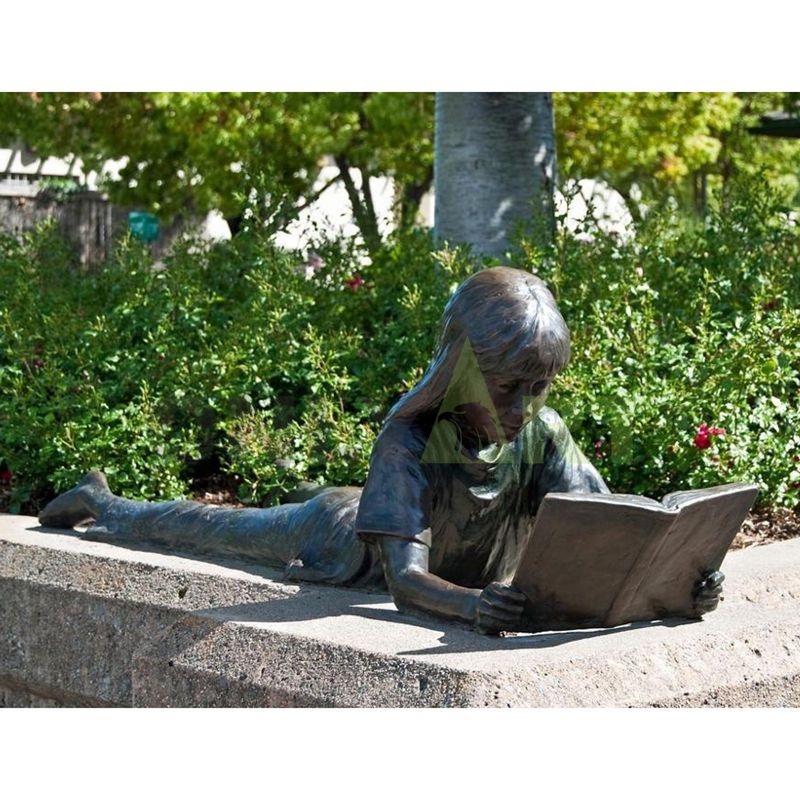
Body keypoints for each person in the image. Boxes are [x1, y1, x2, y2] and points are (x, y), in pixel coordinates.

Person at [39, 267, 724, 634]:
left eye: (540, 389)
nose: (525, 409)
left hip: (417, 549)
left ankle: (107, 499)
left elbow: (612, 526)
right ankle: (104, 501)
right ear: (460, 370)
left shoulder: (544, 436)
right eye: (510, 389)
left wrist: (676, 583)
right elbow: (405, 583)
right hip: (340, 533)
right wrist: (470, 607)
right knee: (205, 526)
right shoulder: (409, 442)